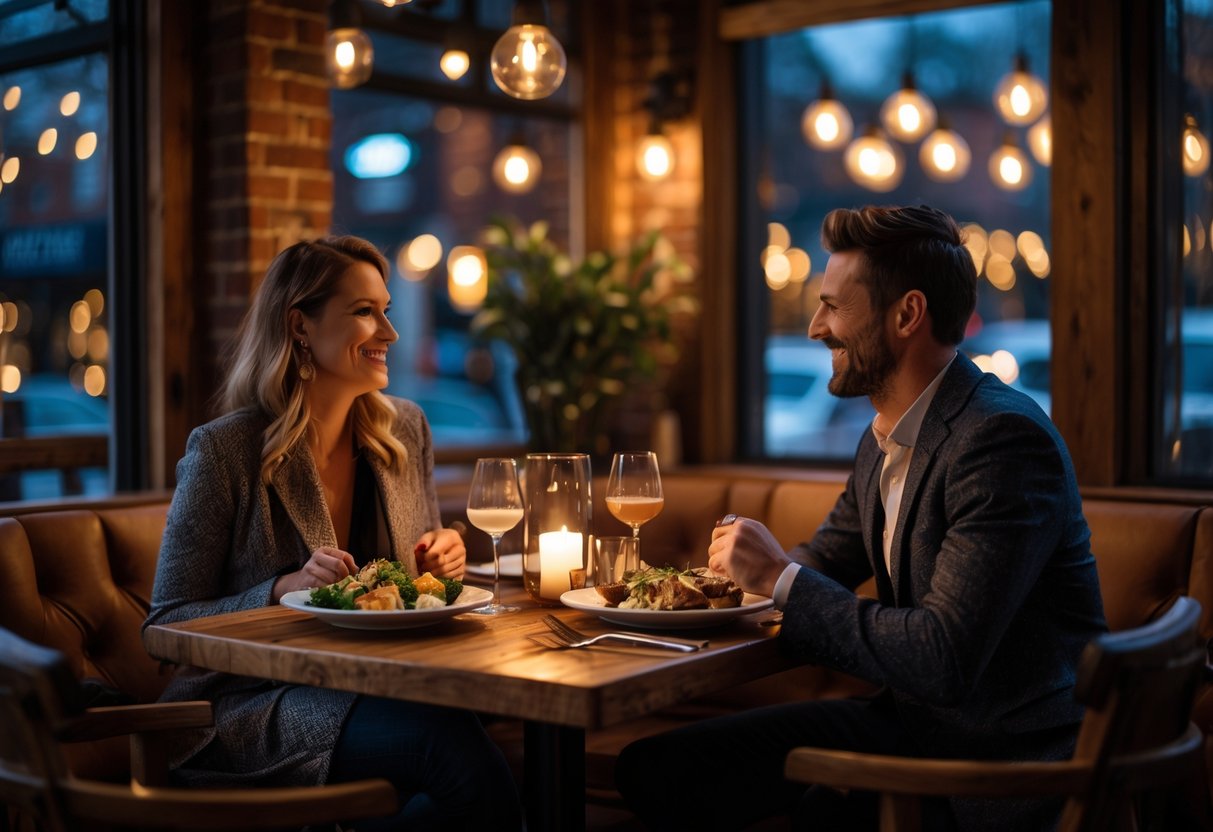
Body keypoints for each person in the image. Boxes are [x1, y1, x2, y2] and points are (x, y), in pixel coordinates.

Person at [615, 205, 1107, 831]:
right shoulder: (886, 434)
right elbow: (822, 562)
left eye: (832, 306)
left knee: (684, 778)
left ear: (907, 315)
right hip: (918, 726)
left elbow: (941, 657)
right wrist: (689, 589)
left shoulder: (1000, 440)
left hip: (990, 761)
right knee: (657, 766)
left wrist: (780, 579)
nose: (816, 326)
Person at [143, 236, 523, 831]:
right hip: (250, 707)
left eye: (386, 310)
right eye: (364, 312)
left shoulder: (405, 428)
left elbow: (414, 581)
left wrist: (441, 555)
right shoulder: (224, 450)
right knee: (452, 750)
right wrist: (278, 589)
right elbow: (164, 625)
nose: (389, 333)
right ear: (300, 325)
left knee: (477, 753)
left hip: (384, 683)